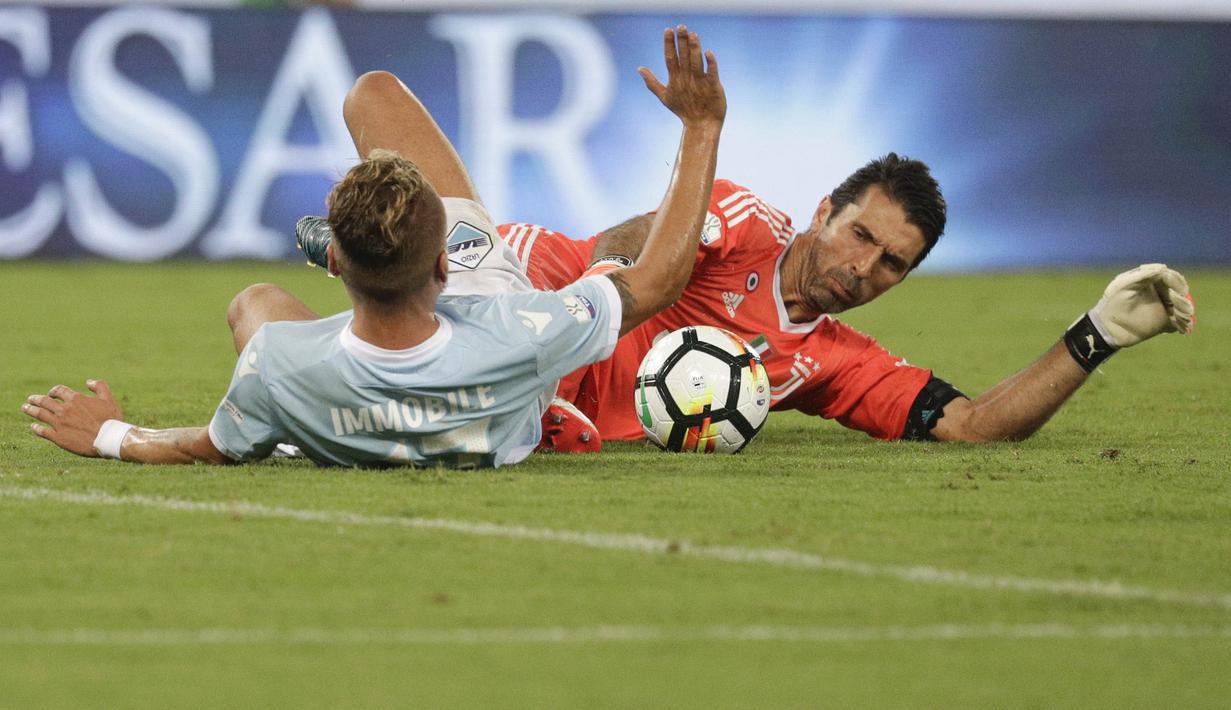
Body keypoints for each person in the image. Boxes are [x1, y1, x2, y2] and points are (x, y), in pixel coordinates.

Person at [21, 26, 728, 466]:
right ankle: (540, 408)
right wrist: (700, 126)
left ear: (335, 263)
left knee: (255, 300)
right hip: (497, 367)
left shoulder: (278, 368)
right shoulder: (525, 333)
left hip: (331, 406)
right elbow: (658, 277)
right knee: (374, 93)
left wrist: (111, 434)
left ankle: (319, 392)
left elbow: (199, 444)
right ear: (447, 259)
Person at [497, 159, 1196, 443]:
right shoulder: (742, 223)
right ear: (823, 211)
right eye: (858, 234)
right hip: (504, 281)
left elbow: (970, 425)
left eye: (890, 262)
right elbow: (629, 237)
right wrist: (585, 317)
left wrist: (1095, 334)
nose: (861, 267)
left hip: (534, 403)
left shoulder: (829, 361)